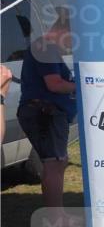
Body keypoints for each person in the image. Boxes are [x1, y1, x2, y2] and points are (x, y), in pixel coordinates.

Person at [17, 16, 76, 207]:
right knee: (54, 164)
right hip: (46, 112)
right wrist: (81, 86)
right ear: (64, 30)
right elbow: (55, 84)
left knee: (56, 162)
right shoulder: (46, 47)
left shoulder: (44, 47)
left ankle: (55, 213)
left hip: (43, 112)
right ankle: (56, 216)